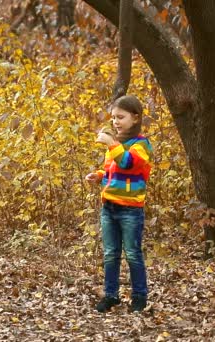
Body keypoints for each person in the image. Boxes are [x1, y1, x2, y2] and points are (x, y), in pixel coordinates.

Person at [85, 95, 153, 313]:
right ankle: (111, 295)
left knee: (132, 253)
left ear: (135, 118)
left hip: (130, 209)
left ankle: (139, 297)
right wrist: (98, 176)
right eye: (114, 117)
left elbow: (128, 163)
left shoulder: (141, 145)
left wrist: (111, 143)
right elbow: (111, 170)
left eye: (121, 117)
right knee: (110, 254)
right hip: (109, 207)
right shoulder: (117, 145)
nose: (116, 122)